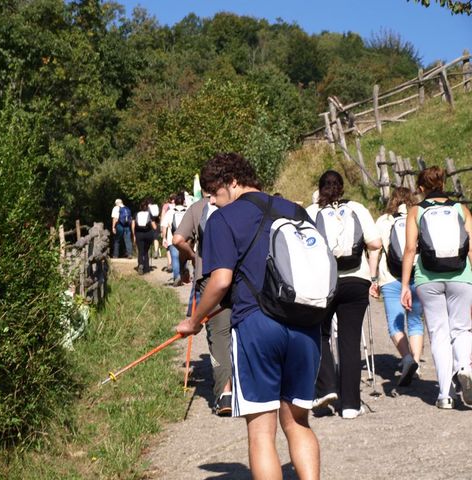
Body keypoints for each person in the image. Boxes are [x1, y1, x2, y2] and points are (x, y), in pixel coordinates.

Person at [177, 153, 321, 479]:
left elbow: (221, 280)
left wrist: (195, 320)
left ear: (232, 181)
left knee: (261, 432)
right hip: (305, 323)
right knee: (297, 421)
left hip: (257, 325)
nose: (212, 201)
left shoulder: (223, 220)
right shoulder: (295, 211)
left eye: (214, 192)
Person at [306, 170, 382, 419]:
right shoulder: (357, 208)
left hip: (324, 283)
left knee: (318, 333)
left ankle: (326, 386)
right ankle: (350, 405)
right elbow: (374, 244)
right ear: (342, 187)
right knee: (349, 341)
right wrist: (372, 277)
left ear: (320, 188)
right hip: (356, 280)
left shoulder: (311, 212)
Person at [401, 166, 472, 409]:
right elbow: (471, 247)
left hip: (428, 278)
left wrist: (404, 285)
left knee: (439, 334)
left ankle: (444, 395)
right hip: (461, 275)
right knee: (461, 329)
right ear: (442, 183)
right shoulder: (460, 209)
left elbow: (410, 249)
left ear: (421, 188)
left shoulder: (416, 211)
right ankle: (463, 367)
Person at [172, 194, 233, 416]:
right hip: (239, 274)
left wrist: (192, 258)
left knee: (219, 335)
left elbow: (178, 239)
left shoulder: (198, 208)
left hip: (209, 274)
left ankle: (225, 393)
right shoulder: (237, 203)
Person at [371, 187, 424, 386]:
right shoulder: (417, 216)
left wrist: (373, 278)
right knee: (416, 321)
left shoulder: (383, 221)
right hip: (416, 275)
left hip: (390, 277)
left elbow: (375, 250)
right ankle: (416, 362)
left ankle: (407, 358)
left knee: (395, 323)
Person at [161, 192, 188, 286]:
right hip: (185, 239)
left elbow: (164, 226)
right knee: (184, 257)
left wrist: (164, 237)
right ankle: (184, 272)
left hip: (172, 238)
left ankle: (177, 277)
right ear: (183, 202)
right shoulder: (187, 211)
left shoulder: (170, 212)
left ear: (175, 202)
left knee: (175, 258)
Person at [132, 199, 157, 275]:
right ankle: (146, 268)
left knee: (140, 251)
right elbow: (154, 227)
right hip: (148, 234)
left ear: (140, 207)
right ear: (147, 207)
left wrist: (133, 235)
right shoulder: (149, 215)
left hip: (139, 234)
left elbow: (133, 225)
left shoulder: (136, 214)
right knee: (146, 251)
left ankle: (140, 264)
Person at [160, 195, 176, 272]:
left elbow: (163, 216)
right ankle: (174, 263)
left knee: (168, 247)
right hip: (176, 229)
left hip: (168, 228)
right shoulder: (182, 206)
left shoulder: (166, 206)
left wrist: (162, 230)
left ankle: (170, 263)